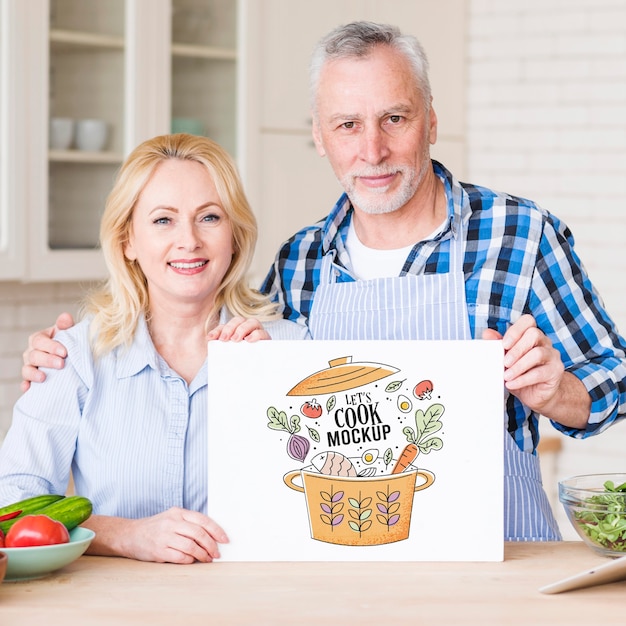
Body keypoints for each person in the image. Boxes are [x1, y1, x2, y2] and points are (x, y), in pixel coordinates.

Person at [20, 22, 626, 542]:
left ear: (432, 120)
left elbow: (613, 382)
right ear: (318, 135)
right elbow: (261, 404)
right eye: (346, 125)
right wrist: (64, 362)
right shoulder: (300, 262)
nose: (373, 149)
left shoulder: (518, 236)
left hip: (498, 563)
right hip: (341, 577)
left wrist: (557, 393)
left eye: (395, 117)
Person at [1, 133, 307, 564]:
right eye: (163, 220)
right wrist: (122, 535)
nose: (189, 240)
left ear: (235, 235)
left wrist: (274, 382)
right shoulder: (71, 358)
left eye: (210, 217)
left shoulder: (290, 348)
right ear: (128, 241)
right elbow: (13, 506)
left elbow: (331, 497)